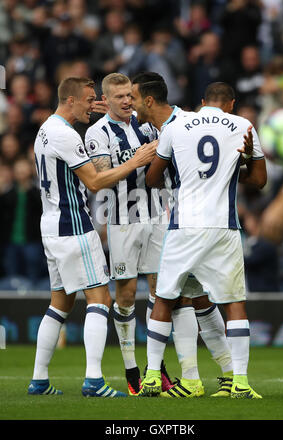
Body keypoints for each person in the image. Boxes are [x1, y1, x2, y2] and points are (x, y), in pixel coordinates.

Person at [28, 76, 156, 397]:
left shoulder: (45, 129)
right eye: (88, 100)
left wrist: (101, 115)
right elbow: (96, 182)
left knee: (60, 303)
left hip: (50, 226)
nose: (93, 105)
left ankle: (39, 379)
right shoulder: (66, 136)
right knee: (100, 300)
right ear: (71, 100)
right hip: (73, 227)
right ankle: (94, 381)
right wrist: (136, 160)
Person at [130, 72, 255, 398]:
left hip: (183, 222)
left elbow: (154, 179)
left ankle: (188, 378)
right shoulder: (157, 126)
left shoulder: (180, 124)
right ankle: (221, 376)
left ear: (148, 99)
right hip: (208, 222)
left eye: (133, 97)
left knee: (177, 298)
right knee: (199, 298)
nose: (130, 105)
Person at [84, 72, 172, 396]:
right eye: (119, 97)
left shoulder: (146, 125)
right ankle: (131, 367)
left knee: (160, 289)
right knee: (125, 293)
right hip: (122, 220)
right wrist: (137, 161)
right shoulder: (97, 133)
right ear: (106, 99)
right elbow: (100, 178)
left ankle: (155, 367)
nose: (126, 101)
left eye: (129, 96)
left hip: (156, 214)